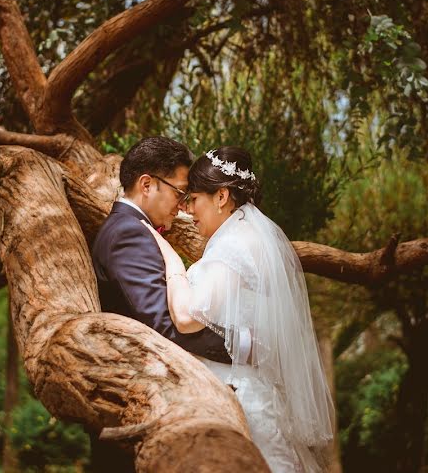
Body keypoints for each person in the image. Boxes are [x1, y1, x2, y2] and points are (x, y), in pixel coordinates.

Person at [142, 146, 334, 472]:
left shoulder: (234, 244)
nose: (188, 210)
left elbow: (187, 319)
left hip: (242, 401)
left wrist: (172, 262)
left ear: (221, 197)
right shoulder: (250, 237)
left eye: (194, 199)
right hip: (251, 391)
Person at [89, 137, 234, 470]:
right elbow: (163, 326)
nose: (182, 206)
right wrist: (239, 345)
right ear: (147, 185)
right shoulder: (128, 233)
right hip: (134, 401)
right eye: (179, 193)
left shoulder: (131, 228)